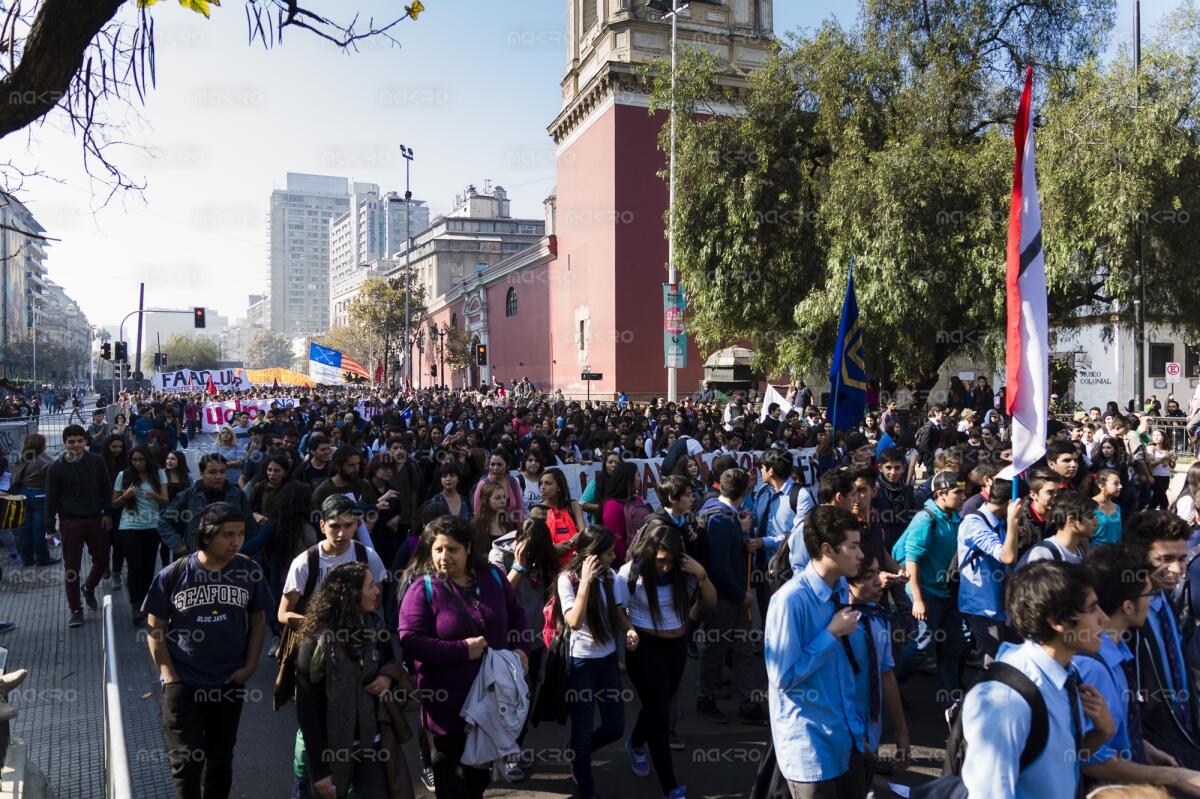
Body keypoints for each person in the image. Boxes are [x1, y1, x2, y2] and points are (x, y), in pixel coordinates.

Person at [142, 502, 270, 799]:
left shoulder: (250, 570)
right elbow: (154, 628)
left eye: (240, 534)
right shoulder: (174, 574)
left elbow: (259, 620)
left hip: (228, 682)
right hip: (183, 684)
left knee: (220, 760)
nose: (236, 541)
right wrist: (168, 675)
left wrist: (250, 667)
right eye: (228, 535)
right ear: (206, 536)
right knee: (186, 763)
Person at [397, 515, 530, 799]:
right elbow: (410, 640)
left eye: (452, 549)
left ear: (468, 547)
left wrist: (520, 649)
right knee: (452, 786)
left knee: (477, 782)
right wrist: (461, 650)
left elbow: (516, 612)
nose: (444, 557)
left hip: (490, 704)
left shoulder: (493, 576)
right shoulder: (423, 589)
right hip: (446, 710)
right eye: (438, 550)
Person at [960, 561, 1115, 799]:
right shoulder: (1005, 700)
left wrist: (1101, 733)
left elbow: (1057, 764)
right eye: (1092, 608)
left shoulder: (1068, 675)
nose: (1104, 618)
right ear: (1057, 621)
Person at [1074, 544, 1200, 794]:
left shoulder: (1119, 653)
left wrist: (1146, 750)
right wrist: (1169, 776)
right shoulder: (1092, 668)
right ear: (1128, 607)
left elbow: (1118, 730)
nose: (1153, 600)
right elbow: (1094, 760)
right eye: (1148, 594)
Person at [764, 504, 866, 797]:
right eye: (853, 546)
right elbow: (782, 677)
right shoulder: (790, 601)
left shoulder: (841, 586)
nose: (861, 554)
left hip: (847, 737)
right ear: (827, 549)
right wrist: (830, 634)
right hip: (809, 749)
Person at [294, 561, 414, 799]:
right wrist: (320, 771)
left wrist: (386, 678)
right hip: (333, 751)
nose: (378, 591)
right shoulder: (315, 642)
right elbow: (307, 710)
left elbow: (392, 663)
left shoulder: (377, 626)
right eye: (370, 586)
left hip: (372, 745)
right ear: (350, 594)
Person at [619, 520, 716, 799]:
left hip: (677, 648)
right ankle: (671, 788)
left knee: (656, 706)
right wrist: (628, 629)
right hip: (644, 649)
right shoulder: (630, 573)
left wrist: (702, 575)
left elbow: (710, 602)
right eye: (661, 561)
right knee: (659, 715)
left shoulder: (684, 572)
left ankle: (636, 743)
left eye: (671, 561)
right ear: (649, 553)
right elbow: (617, 609)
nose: (665, 567)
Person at [557, 525, 636, 799]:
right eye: (608, 553)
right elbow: (574, 621)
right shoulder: (567, 579)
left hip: (608, 661)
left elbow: (617, 613)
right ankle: (585, 783)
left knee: (615, 726)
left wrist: (629, 629)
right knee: (582, 725)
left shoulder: (612, 577)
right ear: (592, 556)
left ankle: (578, 752)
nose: (614, 557)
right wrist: (587, 582)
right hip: (582, 665)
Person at [489, 517, 562, 782]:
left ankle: (514, 750)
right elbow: (497, 596)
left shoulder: (544, 556)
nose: (533, 556)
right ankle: (507, 758)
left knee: (528, 701)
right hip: (509, 642)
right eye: (528, 550)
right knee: (514, 700)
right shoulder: (500, 554)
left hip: (537, 640)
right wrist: (519, 565)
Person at [1126, 510, 1200, 768]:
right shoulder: (1125, 615)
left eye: (1181, 559)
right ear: (1139, 556)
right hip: (1156, 751)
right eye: (1165, 559)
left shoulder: (1165, 596)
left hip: (1186, 729)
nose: (1177, 569)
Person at [695, 467, 767, 725]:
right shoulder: (722, 521)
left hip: (735, 593)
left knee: (743, 647)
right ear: (744, 492)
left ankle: (748, 701)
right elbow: (720, 567)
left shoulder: (724, 514)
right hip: (724, 597)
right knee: (716, 648)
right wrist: (740, 594)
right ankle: (706, 697)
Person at [895, 470, 966, 704]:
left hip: (947, 594)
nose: (963, 496)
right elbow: (912, 561)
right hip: (924, 593)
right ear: (941, 494)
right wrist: (917, 599)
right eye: (958, 492)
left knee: (951, 646)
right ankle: (893, 685)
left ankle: (950, 698)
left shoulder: (956, 517)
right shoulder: (925, 519)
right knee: (921, 644)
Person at [847, 549, 909, 786]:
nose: (878, 581)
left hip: (870, 735)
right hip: (843, 739)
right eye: (868, 576)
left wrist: (901, 735)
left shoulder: (879, 618)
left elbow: (886, 675)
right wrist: (854, 736)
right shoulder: (837, 623)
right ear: (847, 582)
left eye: (878, 573)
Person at [45, 424, 112, 628]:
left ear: (85, 441)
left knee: (102, 559)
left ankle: (89, 587)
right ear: (65, 443)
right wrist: (50, 529)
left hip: (96, 519)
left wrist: (107, 512)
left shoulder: (97, 461)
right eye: (71, 442)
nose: (76, 445)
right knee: (71, 568)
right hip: (70, 522)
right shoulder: (56, 467)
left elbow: (105, 488)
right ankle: (75, 609)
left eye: (79, 441)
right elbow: (51, 499)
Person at [957, 475, 1019, 666]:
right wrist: (1013, 523)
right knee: (991, 663)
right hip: (983, 606)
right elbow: (1007, 556)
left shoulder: (999, 522)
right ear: (1010, 504)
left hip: (1001, 604)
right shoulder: (974, 523)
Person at [158, 454, 257, 557]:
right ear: (202, 474)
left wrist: (243, 551)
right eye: (212, 472)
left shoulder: (237, 495)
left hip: (229, 561)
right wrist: (179, 546)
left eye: (222, 471)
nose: (218, 476)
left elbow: (250, 526)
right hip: (198, 559)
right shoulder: (188, 496)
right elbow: (163, 522)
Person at [112, 445, 169, 624]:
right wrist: (125, 496)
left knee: (149, 565)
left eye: (141, 460)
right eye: (134, 460)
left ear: (147, 459)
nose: (137, 463)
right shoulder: (124, 475)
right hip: (129, 525)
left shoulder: (158, 473)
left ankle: (146, 599)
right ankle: (136, 604)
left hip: (152, 525)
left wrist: (156, 497)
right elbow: (113, 503)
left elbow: (166, 501)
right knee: (135, 566)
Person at [7, 433, 59, 567]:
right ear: (41, 446)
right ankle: (42, 558)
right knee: (39, 530)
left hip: (23, 494)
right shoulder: (43, 461)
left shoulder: (22, 458)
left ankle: (27, 559)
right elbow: (53, 474)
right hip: (39, 495)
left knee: (25, 529)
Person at [1020, 491, 1098, 565]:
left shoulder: (1080, 552)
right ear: (1072, 521)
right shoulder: (1044, 554)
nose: (1096, 522)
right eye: (1090, 517)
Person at [599, 461, 649, 563]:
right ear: (629, 479)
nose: (640, 479)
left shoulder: (636, 499)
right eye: (638, 475)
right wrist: (628, 562)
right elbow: (616, 539)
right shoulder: (612, 506)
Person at [540, 467, 585, 563]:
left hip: (575, 560)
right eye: (541, 483)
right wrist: (553, 549)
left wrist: (569, 543)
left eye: (548, 483)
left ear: (559, 487)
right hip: (551, 563)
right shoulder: (538, 510)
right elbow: (538, 542)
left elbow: (583, 532)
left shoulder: (573, 506)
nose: (542, 487)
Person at [472, 451, 525, 527]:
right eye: (492, 464)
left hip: (511, 529)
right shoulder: (482, 484)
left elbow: (519, 509)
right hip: (489, 531)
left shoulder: (513, 482)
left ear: (507, 466)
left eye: (499, 464)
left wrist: (520, 529)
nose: (495, 468)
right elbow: (477, 512)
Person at [471, 480, 517, 558]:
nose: (503, 501)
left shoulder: (510, 523)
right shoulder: (475, 525)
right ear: (486, 501)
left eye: (504, 497)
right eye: (497, 498)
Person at [1092, 469, 1125, 545]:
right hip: (1096, 553)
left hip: (1115, 553)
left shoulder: (1117, 507)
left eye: (1120, 483)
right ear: (1101, 486)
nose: (1120, 486)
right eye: (1116, 483)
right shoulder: (1089, 505)